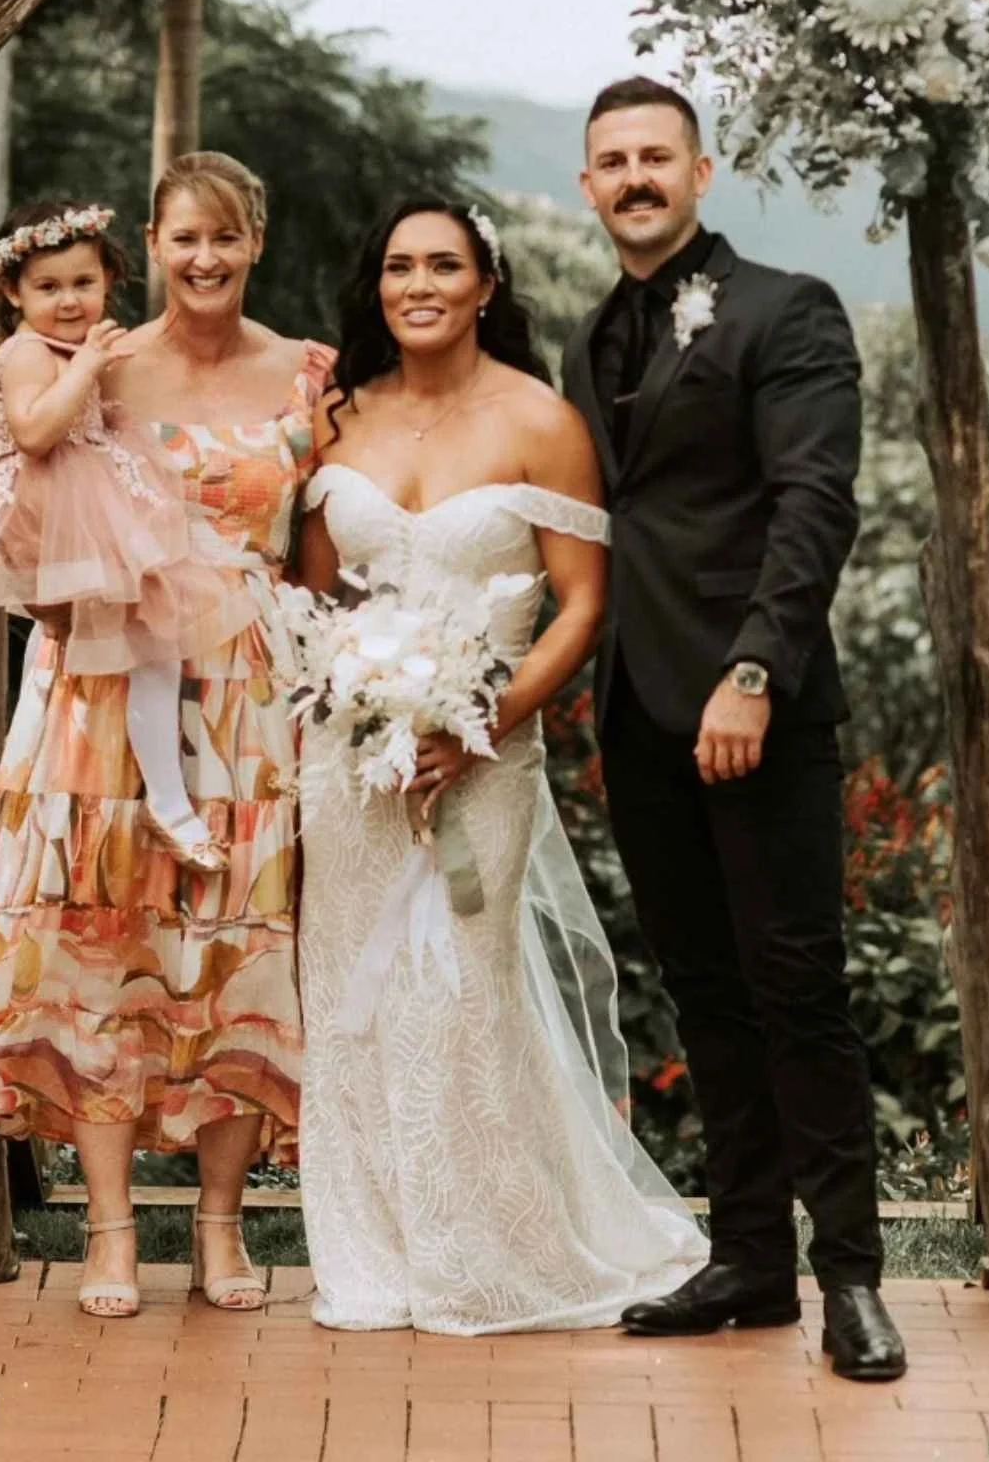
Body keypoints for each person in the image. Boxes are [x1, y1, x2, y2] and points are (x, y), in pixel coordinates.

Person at [293, 197, 707, 1335]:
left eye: (444, 264)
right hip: (349, 762)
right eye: (397, 266)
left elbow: (582, 602)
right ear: (375, 287)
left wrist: (476, 715)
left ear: (487, 282)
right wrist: (359, 697)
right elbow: (318, 593)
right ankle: (373, 1253)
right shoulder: (338, 421)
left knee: (460, 989)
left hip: (485, 753)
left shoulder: (543, 420)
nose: (418, 283)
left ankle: (481, 1248)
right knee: (350, 998)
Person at [0, 152, 329, 1322]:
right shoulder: (91, 364)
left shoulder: (310, 375)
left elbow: (324, 547)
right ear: (147, 248)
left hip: (249, 691)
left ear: (256, 240)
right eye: (181, 238)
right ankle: (108, 1228)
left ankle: (218, 1224)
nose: (202, 258)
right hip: (101, 686)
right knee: (101, 936)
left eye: (225, 237)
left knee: (233, 942)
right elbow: (23, 495)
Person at [559, 76, 907, 1382]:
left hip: (755, 704)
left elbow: (817, 501)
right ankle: (749, 1259)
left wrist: (755, 670)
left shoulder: (784, 311)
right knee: (705, 992)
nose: (635, 177)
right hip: (639, 713)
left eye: (657, 155)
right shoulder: (592, 340)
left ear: (704, 174)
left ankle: (853, 1282)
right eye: (612, 161)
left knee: (797, 987)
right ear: (586, 187)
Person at [0, 199, 250, 871]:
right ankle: (167, 804)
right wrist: (84, 369)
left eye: (83, 283)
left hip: (89, 502)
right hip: (58, 509)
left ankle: (166, 800)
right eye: (47, 288)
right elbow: (33, 431)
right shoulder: (27, 349)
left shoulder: (73, 344)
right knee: (131, 643)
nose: (69, 300)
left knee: (150, 649)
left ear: (109, 280)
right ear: (11, 292)